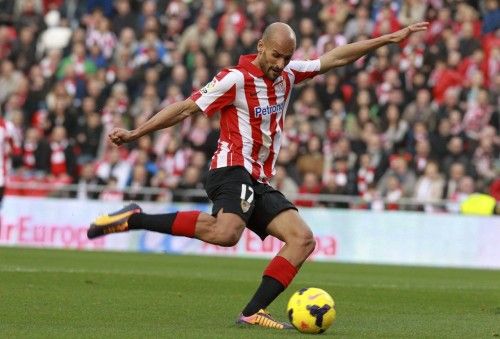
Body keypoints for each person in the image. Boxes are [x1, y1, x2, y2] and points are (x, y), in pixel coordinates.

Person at [87, 22, 428, 330]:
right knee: (227, 232)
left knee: (303, 240)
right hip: (230, 168)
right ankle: (136, 218)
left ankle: (253, 311)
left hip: (258, 180)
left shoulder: (289, 74)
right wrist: (136, 133)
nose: (280, 64)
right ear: (261, 46)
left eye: (287, 57)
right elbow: (186, 108)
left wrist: (387, 39)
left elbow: (336, 58)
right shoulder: (234, 78)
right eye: (276, 55)